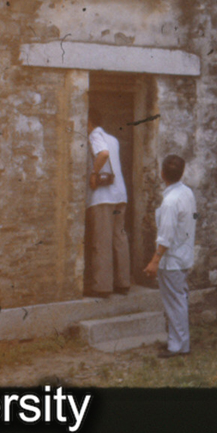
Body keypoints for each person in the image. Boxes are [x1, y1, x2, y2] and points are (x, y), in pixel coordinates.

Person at [144, 154, 196, 357]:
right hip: (184, 254)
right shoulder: (187, 193)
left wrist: (154, 261)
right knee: (178, 300)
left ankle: (179, 346)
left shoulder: (170, 202)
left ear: (162, 173)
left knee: (175, 303)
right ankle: (178, 342)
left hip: (172, 259)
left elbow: (165, 237)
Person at [85, 108, 130, 297]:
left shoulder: (95, 135)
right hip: (119, 195)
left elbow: (102, 154)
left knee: (101, 241)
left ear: (89, 122)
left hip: (103, 197)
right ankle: (123, 283)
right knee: (119, 238)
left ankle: (102, 286)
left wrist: (94, 173)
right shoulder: (113, 138)